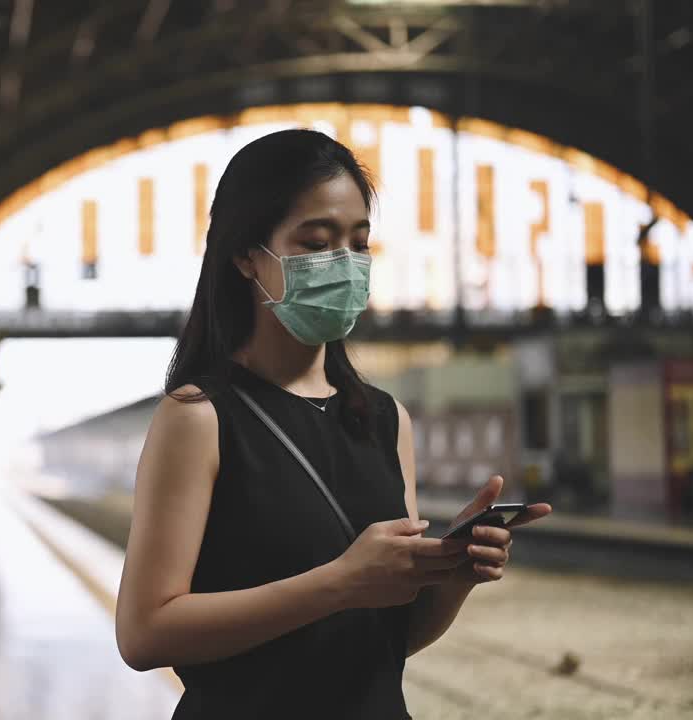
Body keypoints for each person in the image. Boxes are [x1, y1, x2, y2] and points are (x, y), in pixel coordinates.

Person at [114, 129, 553, 718]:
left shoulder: (384, 419)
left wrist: (455, 574)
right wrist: (339, 582)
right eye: (317, 242)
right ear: (246, 255)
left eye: (358, 242)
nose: (344, 264)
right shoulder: (199, 418)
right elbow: (145, 634)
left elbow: (389, 638)